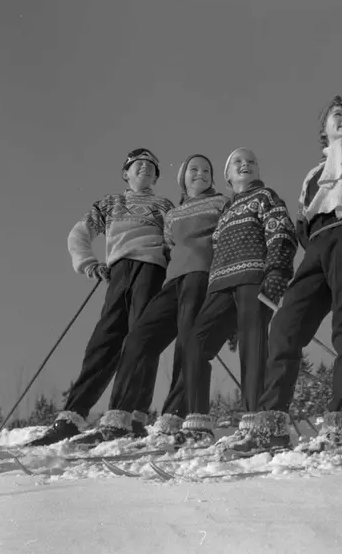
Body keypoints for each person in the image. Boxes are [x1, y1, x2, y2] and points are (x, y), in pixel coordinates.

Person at [222, 95, 342, 455]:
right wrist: (316, 250)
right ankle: (271, 425)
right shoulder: (313, 174)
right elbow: (303, 219)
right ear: (324, 129)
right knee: (285, 326)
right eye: (337, 115)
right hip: (317, 247)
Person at [73, 155, 229, 444]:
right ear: (182, 177)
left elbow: (228, 239)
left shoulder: (216, 203)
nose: (201, 173)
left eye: (207, 170)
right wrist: (92, 262)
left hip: (193, 275)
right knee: (135, 339)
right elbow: (169, 246)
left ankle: (172, 419)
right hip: (166, 279)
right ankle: (115, 419)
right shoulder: (170, 212)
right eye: (194, 169)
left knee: (187, 344)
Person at [27, 149, 174, 446]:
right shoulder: (110, 203)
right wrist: (88, 263)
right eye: (138, 164)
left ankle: (134, 417)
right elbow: (78, 234)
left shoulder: (164, 205)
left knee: (142, 340)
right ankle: (71, 418)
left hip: (152, 270)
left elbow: (175, 239)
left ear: (156, 177)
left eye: (151, 167)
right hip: (118, 271)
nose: (144, 168)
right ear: (125, 173)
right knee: (104, 340)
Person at [171, 147, 298, 448]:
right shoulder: (226, 210)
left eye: (251, 161)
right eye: (237, 162)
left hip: (253, 278)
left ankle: (257, 424)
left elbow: (282, 232)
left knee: (253, 348)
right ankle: (198, 424)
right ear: (227, 176)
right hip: (219, 286)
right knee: (195, 342)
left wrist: (277, 272)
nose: (245, 165)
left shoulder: (265, 196)